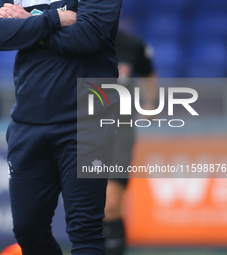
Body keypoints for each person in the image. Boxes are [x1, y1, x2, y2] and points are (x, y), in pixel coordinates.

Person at [0, 0, 122, 254]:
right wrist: (55, 19)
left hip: (87, 120)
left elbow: (86, 37)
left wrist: (28, 24)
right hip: (28, 120)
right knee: (28, 231)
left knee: (85, 230)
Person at [103, 29, 158, 255]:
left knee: (110, 204)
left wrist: (150, 104)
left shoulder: (132, 44)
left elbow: (148, 74)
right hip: (80, 127)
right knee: (86, 207)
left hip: (119, 128)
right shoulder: (74, 37)